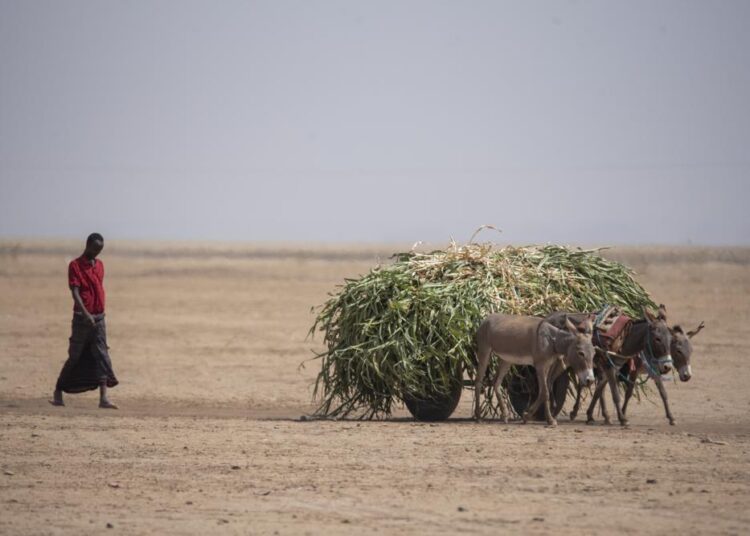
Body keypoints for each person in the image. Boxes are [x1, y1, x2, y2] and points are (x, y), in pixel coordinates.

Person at [51, 233, 119, 408]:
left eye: (100, 250)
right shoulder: (75, 265)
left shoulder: (100, 265)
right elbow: (75, 292)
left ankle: (103, 398)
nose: (97, 252)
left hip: (99, 318)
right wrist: (86, 313)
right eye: (95, 248)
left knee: (102, 355)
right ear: (88, 245)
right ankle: (58, 391)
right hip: (82, 319)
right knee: (75, 356)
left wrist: (96, 314)